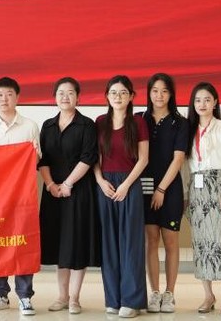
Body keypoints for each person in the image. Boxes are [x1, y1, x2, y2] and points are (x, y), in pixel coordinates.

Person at [38, 77, 100, 315]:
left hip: (78, 191)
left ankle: (74, 298)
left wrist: (67, 184)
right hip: (53, 192)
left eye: (70, 93)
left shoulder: (87, 125)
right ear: (54, 97)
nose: (65, 97)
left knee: (76, 242)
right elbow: (43, 160)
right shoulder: (47, 125)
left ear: (78, 97)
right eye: (61, 93)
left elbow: (88, 157)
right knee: (60, 244)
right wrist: (51, 184)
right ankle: (62, 296)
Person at [0, 76, 40, 316]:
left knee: (23, 242)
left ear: (17, 97)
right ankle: (0, 294)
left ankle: (25, 296)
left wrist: (25, 157)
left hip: (22, 196)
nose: (4, 99)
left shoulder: (30, 126)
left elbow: (35, 159)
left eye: (9, 94)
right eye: (0, 95)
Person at [94, 75, 149, 319]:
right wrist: (100, 181)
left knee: (131, 243)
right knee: (109, 243)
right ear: (107, 96)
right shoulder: (100, 122)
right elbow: (95, 158)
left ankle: (132, 300)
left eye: (123, 92)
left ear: (131, 96)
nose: (118, 97)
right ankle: (113, 299)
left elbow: (143, 158)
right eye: (113, 93)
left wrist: (126, 185)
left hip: (130, 184)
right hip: (105, 185)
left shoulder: (138, 122)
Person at [185, 82, 221, 317]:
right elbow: (186, 166)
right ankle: (208, 295)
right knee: (201, 244)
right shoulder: (189, 130)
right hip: (197, 191)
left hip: (219, 187)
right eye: (198, 100)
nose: (202, 104)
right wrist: (186, 195)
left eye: (207, 99)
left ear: (215, 102)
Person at [140, 73, 188, 313]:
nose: (159, 95)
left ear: (171, 94)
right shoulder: (139, 119)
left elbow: (178, 159)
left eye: (164, 91)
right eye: (155, 90)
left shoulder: (180, 122)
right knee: (151, 240)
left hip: (170, 189)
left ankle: (170, 293)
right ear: (149, 93)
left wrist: (161, 189)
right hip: (145, 186)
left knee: (170, 241)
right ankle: (155, 292)